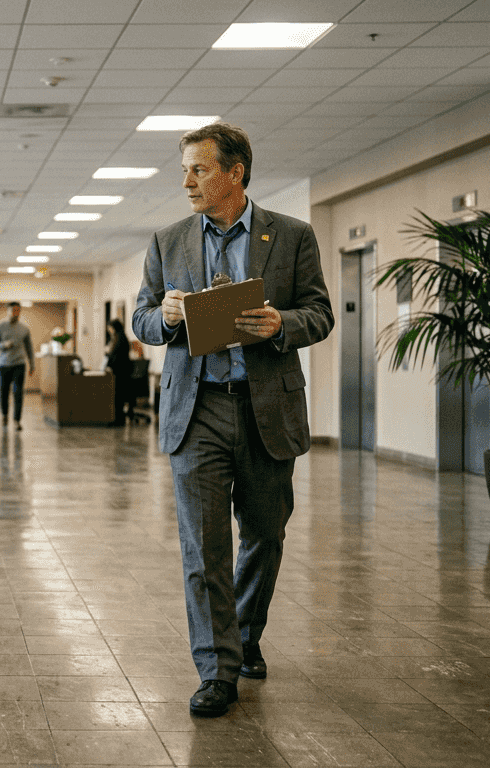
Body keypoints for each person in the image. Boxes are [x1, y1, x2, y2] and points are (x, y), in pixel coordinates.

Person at [132, 123, 333, 717]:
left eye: (199, 169)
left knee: (265, 535)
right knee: (203, 546)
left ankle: (245, 635)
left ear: (235, 173)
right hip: (197, 411)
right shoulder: (168, 241)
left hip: (265, 405)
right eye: (186, 170)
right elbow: (141, 321)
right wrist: (165, 317)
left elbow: (319, 312)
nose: (187, 181)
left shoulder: (291, 236)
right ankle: (216, 668)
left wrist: (282, 325)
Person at [0, 301, 34, 430]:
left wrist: (32, 364)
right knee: (3, 392)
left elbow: (29, 347)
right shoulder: (0, 327)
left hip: (19, 364)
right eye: (13, 310)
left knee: (18, 392)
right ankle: (4, 415)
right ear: (8, 311)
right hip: (3, 365)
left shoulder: (24, 329)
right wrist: (3, 345)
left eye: (17, 311)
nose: (15, 313)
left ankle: (16, 420)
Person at [104, 319, 133, 427]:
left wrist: (108, 365)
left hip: (120, 371)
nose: (109, 330)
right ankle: (117, 418)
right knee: (118, 396)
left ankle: (118, 420)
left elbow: (115, 356)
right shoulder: (120, 337)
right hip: (122, 370)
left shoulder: (119, 339)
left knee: (118, 396)